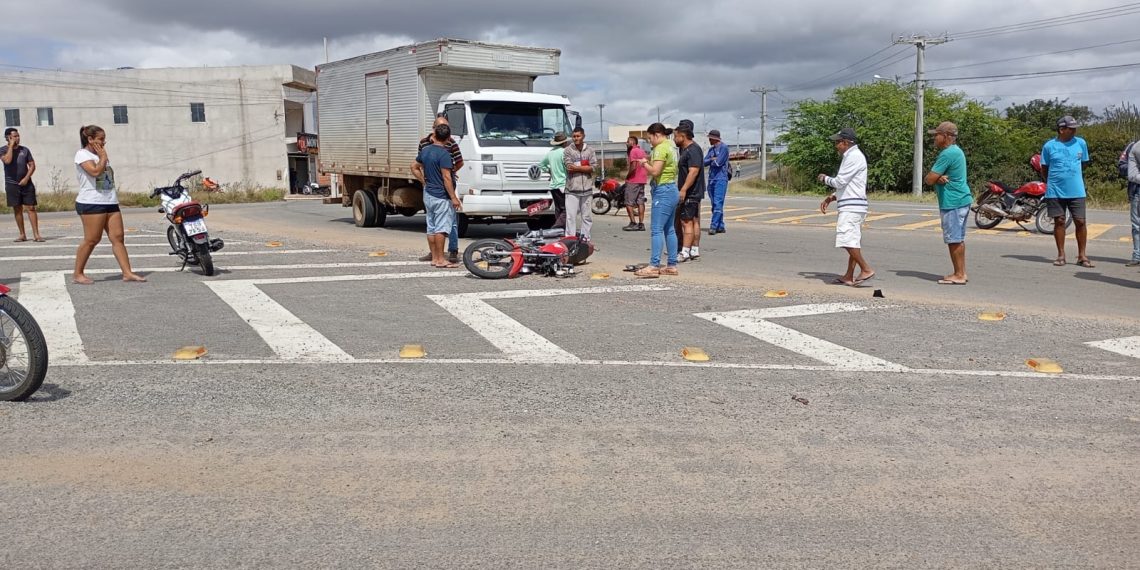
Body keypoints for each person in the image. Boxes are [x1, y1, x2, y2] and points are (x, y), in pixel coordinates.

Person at [73, 125, 146, 284]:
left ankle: (127, 272)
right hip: (91, 202)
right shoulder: (82, 154)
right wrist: (103, 156)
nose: (104, 142)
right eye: (100, 139)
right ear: (90, 139)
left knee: (118, 237)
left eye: (104, 139)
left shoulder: (100, 155)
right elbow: (95, 172)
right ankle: (78, 273)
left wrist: (103, 156)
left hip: (110, 201)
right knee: (92, 239)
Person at [818, 127, 873, 286]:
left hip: (852, 207)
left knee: (846, 239)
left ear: (846, 142)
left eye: (838, 142)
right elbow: (849, 184)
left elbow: (840, 181)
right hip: (854, 204)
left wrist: (824, 178)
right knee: (853, 241)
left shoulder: (853, 156)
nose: (836, 146)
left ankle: (866, 269)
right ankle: (849, 275)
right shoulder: (853, 156)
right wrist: (833, 196)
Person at [1041, 115, 1094, 268]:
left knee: (1080, 221)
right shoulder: (1049, 146)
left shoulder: (1081, 143)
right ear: (1061, 129)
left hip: (1077, 190)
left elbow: (1084, 164)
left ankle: (1082, 255)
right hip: (1055, 190)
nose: (1074, 131)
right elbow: (1045, 168)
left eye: (1075, 128)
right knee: (1059, 221)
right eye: (1071, 129)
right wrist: (1053, 181)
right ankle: (1061, 254)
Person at [924, 121, 971, 285]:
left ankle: (959, 275)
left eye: (936, 135)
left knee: (954, 239)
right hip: (961, 200)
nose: (934, 138)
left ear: (945, 136)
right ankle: (961, 272)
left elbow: (929, 179)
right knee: (958, 238)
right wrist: (939, 177)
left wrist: (936, 177)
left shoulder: (948, 153)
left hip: (953, 202)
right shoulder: (956, 152)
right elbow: (936, 177)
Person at [411, 123, 462, 268]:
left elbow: (413, 166)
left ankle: (434, 257)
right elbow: (447, 178)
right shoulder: (444, 154)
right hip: (441, 195)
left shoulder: (426, 150)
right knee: (441, 228)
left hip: (428, 194)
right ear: (448, 138)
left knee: (431, 227)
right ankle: (440, 259)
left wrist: (423, 181)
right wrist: (453, 197)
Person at [635, 123, 680, 278]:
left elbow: (655, 171)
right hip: (672, 188)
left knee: (656, 229)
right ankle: (672, 264)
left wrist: (644, 163)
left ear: (657, 134)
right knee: (670, 229)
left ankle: (654, 265)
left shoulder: (661, 148)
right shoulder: (672, 145)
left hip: (663, 190)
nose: (650, 142)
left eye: (650, 138)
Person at [2, 128, 43, 242]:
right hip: (12, 184)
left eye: (18, 136)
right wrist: (10, 146)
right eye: (14, 136)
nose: (17, 138)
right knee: (17, 209)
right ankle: (22, 234)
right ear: (8, 138)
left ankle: (36, 235)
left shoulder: (25, 150)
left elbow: (32, 165)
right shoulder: (3, 150)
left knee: (31, 208)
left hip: (26, 183)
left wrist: (26, 178)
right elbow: (7, 161)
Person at [674, 123, 705, 262]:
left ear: (683, 136)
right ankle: (694, 249)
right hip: (693, 192)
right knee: (693, 221)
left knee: (686, 222)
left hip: (691, 192)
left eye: (675, 136)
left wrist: (684, 189)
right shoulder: (686, 149)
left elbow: (693, 171)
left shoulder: (692, 150)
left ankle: (685, 252)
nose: (674, 139)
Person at [562, 127, 595, 239]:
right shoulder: (568, 150)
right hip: (572, 190)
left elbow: (593, 167)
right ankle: (570, 239)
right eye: (574, 136)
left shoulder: (590, 150)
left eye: (578, 136)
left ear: (583, 136)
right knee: (571, 217)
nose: (576, 138)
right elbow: (569, 167)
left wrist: (578, 168)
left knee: (586, 216)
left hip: (587, 189)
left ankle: (585, 238)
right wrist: (585, 167)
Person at [539, 131, 570, 229]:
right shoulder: (564, 153)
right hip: (563, 184)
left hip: (553, 185)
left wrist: (549, 171)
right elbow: (567, 168)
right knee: (567, 209)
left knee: (558, 208)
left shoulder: (551, 153)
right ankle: (557, 227)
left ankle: (561, 229)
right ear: (564, 143)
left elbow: (541, 165)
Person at [704, 129, 730, 235]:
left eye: (710, 138)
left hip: (721, 178)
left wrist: (712, 160)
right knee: (714, 203)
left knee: (718, 202)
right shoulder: (711, 150)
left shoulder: (724, 148)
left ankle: (713, 225)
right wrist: (711, 159)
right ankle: (720, 225)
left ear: (715, 139)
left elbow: (718, 163)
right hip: (711, 179)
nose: (709, 140)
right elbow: (703, 162)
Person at [623, 136, 648, 231]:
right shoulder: (642, 151)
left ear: (633, 142)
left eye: (628, 141)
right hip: (642, 179)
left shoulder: (633, 151)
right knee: (640, 202)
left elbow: (633, 166)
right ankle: (641, 224)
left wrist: (628, 176)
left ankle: (633, 222)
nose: (626, 143)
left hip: (633, 180)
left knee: (628, 202)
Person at [1127, 137, 1140, 267]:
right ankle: (1137, 255)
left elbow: (1131, 175)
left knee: (1137, 226)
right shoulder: (1135, 147)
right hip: (1137, 190)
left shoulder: (1135, 146)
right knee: (1137, 225)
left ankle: (1137, 255)